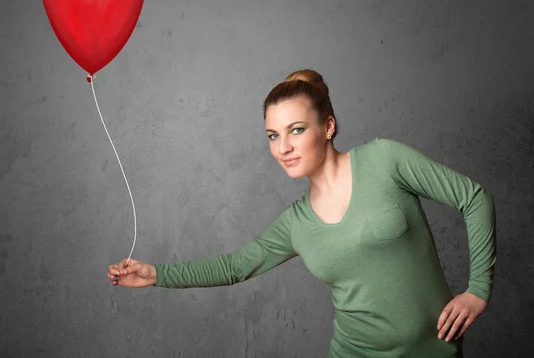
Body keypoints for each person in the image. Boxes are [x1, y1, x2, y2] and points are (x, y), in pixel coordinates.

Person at [107, 69, 496, 357]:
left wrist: (478, 290)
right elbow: (235, 266)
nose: (283, 147)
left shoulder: (384, 160)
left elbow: (473, 197)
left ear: (327, 126)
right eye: (273, 136)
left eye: (295, 130)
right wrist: (156, 274)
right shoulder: (295, 223)